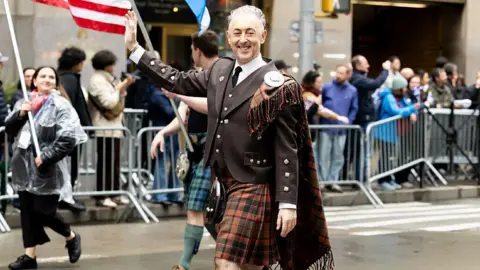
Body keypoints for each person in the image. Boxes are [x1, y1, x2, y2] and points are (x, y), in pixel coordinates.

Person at [125, 5, 333, 270]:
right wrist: (135, 49)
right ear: (228, 36)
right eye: (236, 33)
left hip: (254, 184)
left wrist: (288, 203)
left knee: (226, 262)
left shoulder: (279, 85)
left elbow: (286, 149)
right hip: (221, 184)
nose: (242, 39)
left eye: (250, 32)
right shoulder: (219, 71)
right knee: (250, 266)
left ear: (263, 36)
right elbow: (175, 80)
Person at [150, 29, 219, 270]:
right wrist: (162, 132)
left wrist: (179, 93)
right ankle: (232, 253)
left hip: (212, 151)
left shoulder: (221, 77)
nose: (192, 53)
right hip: (193, 152)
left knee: (197, 210)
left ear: (197, 50)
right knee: (204, 211)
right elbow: (182, 115)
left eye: (192, 49)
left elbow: (214, 108)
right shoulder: (193, 77)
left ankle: (184, 264)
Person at [6, 66, 86, 269]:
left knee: (44, 212)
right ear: (34, 81)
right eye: (43, 76)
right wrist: (21, 114)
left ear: (56, 81)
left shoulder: (61, 105)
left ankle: (71, 236)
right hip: (23, 167)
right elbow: (9, 129)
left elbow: (69, 138)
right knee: (27, 211)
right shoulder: (25, 102)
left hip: (47, 168)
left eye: (51, 76)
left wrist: (47, 156)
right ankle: (29, 257)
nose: (47, 79)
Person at [87, 50, 135, 208]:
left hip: (114, 127)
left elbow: (118, 103)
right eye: (112, 63)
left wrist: (121, 90)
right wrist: (118, 88)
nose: (114, 66)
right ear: (107, 65)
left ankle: (114, 193)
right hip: (103, 127)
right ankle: (102, 195)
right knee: (105, 162)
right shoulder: (97, 80)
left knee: (114, 162)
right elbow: (108, 103)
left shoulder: (106, 79)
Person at [57, 47, 91, 212]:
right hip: (70, 131)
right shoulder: (69, 79)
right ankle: (65, 198)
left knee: (69, 166)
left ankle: (67, 196)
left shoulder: (66, 77)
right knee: (70, 166)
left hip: (71, 130)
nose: (82, 65)